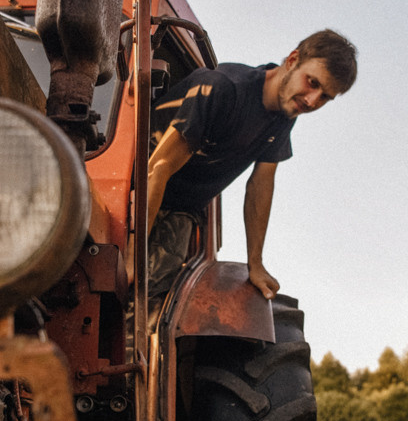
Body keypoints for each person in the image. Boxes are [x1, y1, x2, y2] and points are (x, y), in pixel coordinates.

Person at [141, 28, 357, 300]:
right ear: (292, 61)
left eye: (325, 96)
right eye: (312, 83)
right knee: (130, 284)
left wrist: (255, 263)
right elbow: (157, 168)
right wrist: (132, 256)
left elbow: (261, 185)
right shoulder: (224, 89)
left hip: (181, 210)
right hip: (137, 190)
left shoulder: (283, 117)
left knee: (157, 297)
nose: (313, 101)